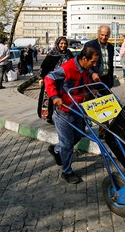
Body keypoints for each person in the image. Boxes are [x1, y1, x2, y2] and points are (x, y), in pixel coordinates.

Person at [44, 47, 100, 184]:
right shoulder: (66, 68)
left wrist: (91, 89)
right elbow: (48, 78)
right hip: (64, 111)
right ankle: (67, 172)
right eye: (92, 62)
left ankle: (56, 149)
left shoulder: (86, 69)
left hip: (78, 109)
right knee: (68, 143)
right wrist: (55, 97)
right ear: (84, 59)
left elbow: (84, 82)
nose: (94, 65)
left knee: (78, 137)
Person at [38, 36, 74, 124]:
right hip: (52, 81)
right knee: (51, 99)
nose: (63, 45)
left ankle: (62, 117)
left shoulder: (69, 54)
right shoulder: (52, 54)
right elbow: (44, 67)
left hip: (65, 82)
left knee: (64, 100)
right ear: (58, 44)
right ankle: (50, 117)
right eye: (61, 43)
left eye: (65, 43)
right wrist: (41, 78)